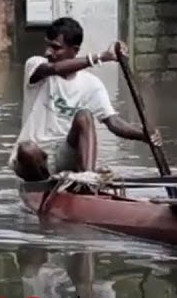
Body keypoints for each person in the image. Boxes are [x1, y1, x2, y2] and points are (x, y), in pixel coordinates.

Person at [9, 17, 161, 181]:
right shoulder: (36, 65)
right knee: (27, 149)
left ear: (74, 51)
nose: (48, 52)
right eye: (47, 45)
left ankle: (88, 178)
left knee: (84, 115)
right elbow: (55, 68)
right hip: (32, 158)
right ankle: (46, 183)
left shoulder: (91, 84)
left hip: (64, 154)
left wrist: (144, 135)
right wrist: (101, 57)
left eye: (56, 48)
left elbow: (114, 123)